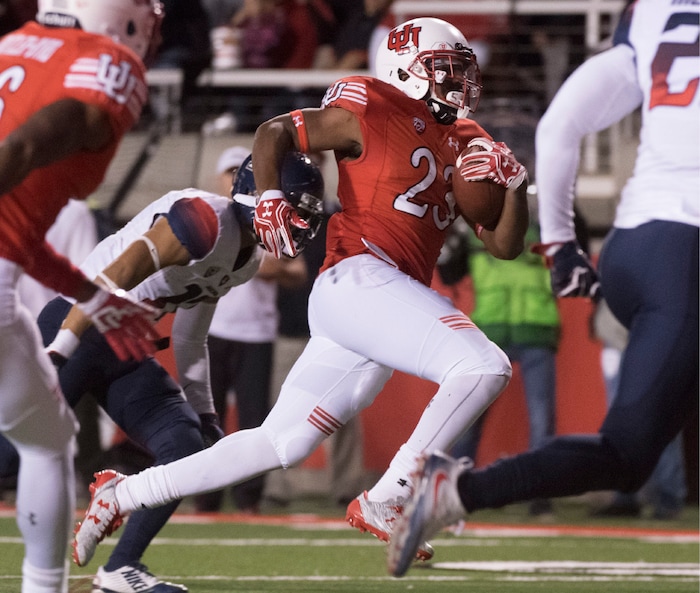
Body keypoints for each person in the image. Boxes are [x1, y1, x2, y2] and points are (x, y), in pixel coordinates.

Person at [72, 16, 530, 567]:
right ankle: (394, 493)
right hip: (360, 278)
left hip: (383, 300)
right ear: (404, 69)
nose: (457, 83)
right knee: (483, 366)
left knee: (278, 443)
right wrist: (268, 196)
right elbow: (275, 132)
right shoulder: (374, 105)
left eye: (461, 72)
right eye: (444, 70)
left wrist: (516, 186)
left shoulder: (468, 139)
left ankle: (122, 492)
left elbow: (505, 245)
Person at [387, 0, 699, 577]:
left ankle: (455, 492)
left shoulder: (655, 17)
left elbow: (559, 124)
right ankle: (452, 491)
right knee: (625, 448)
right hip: (682, 250)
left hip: (640, 246)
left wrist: (560, 244)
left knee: (630, 460)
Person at [33, 150, 323, 591]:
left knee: (187, 446)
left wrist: (206, 415)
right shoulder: (203, 218)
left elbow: (190, 337)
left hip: (123, 348)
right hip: (79, 322)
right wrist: (60, 350)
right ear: (262, 197)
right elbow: (117, 274)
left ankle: (119, 570)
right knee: (13, 456)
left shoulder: (246, 262)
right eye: (297, 210)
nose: (301, 225)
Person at [0, 2, 164, 591]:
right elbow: (20, 152)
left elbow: (15, 239)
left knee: (48, 437)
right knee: (47, 446)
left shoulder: (15, 44)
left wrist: (91, 294)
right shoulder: (104, 62)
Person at [194, 146, 309, 514]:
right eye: (228, 172)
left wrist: (264, 267)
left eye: (239, 171)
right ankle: (206, 497)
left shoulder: (273, 217)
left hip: (257, 333)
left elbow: (296, 270)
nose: (233, 178)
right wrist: (259, 265)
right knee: (206, 416)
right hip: (213, 330)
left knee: (254, 420)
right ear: (219, 177)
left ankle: (248, 499)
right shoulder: (210, 214)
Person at [448, 210, 560, 518]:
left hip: (524, 328)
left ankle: (539, 496)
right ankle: (453, 490)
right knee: (470, 416)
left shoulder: (548, 224)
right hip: (495, 331)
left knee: (540, 420)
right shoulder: (474, 231)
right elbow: (448, 272)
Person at [591, 299, 687, 519]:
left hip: (658, 341)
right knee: (620, 424)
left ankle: (668, 496)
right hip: (616, 337)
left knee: (662, 419)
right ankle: (626, 495)